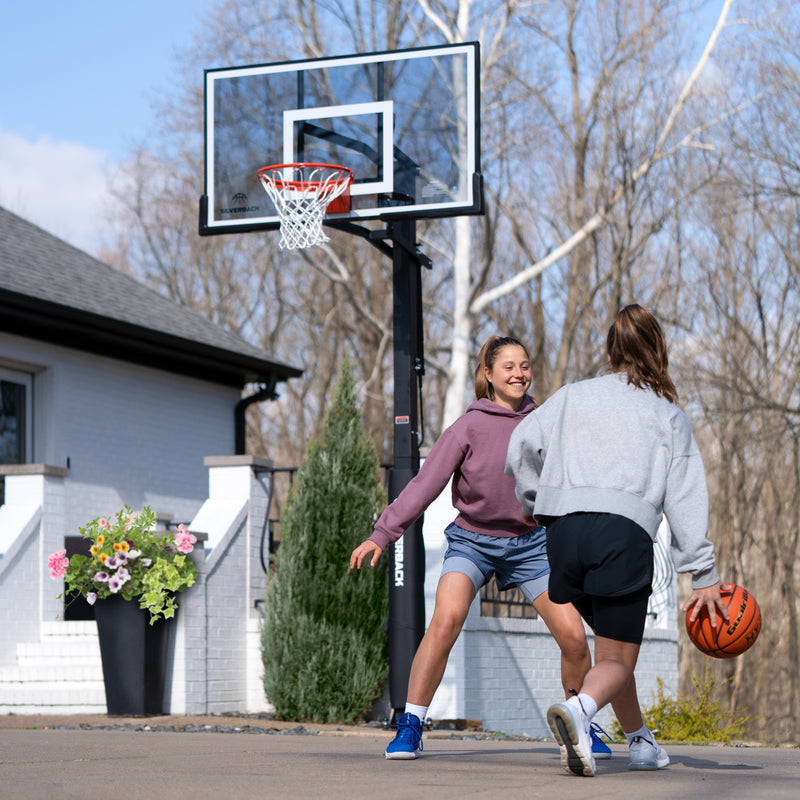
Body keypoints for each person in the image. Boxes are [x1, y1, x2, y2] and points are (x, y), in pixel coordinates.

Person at [505, 304, 728, 778]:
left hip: (564, 534)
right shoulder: (668, 414)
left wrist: (532, 499)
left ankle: (641, 743)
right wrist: (703, 572)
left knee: (611, 651)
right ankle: (580, 710)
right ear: (658, 352)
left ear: (611, 352)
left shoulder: (569, 396)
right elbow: (685, 496)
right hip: (620, 535)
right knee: (617, 660)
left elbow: (522, 442)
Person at [350, 336, 595, 760]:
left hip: (530, 545)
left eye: (525, 365)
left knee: (575, 637)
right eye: (509, 366)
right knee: (445, 621)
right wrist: (382, 532)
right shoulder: (467, 427)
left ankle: (579, 727)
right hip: (473, 541)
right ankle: (410, 724)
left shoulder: (544, 422)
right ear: (488, 374)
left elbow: (570, 483)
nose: (519, 373)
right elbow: (425, 486)